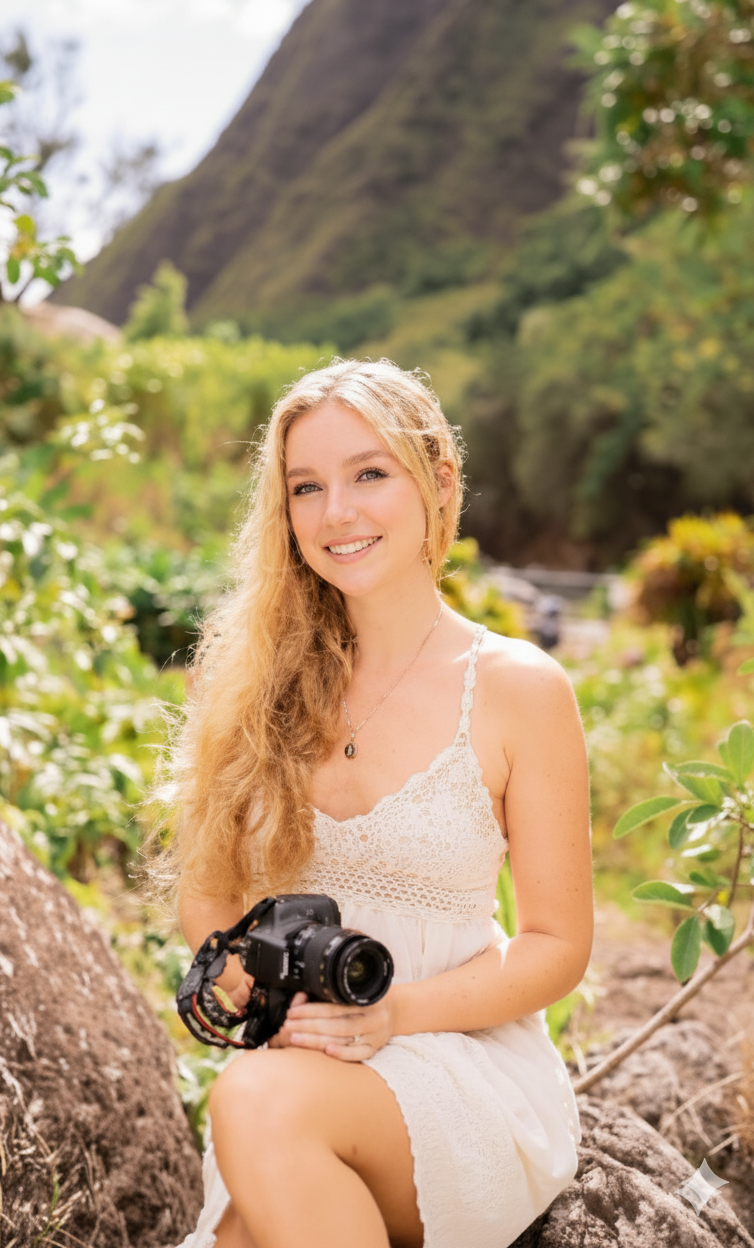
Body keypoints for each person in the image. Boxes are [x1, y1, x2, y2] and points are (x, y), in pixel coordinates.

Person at [157, 358, 594, 1248]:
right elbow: (208, 899)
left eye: (368, 474)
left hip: (461, 1059)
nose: (336, 513)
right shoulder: (246, 684)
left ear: (440, 482)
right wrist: (258, 992)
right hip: (298, 1067)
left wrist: (391, 1014)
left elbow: (557, 945)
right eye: (306, 487)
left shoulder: (518, 687)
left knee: (255, 1106)